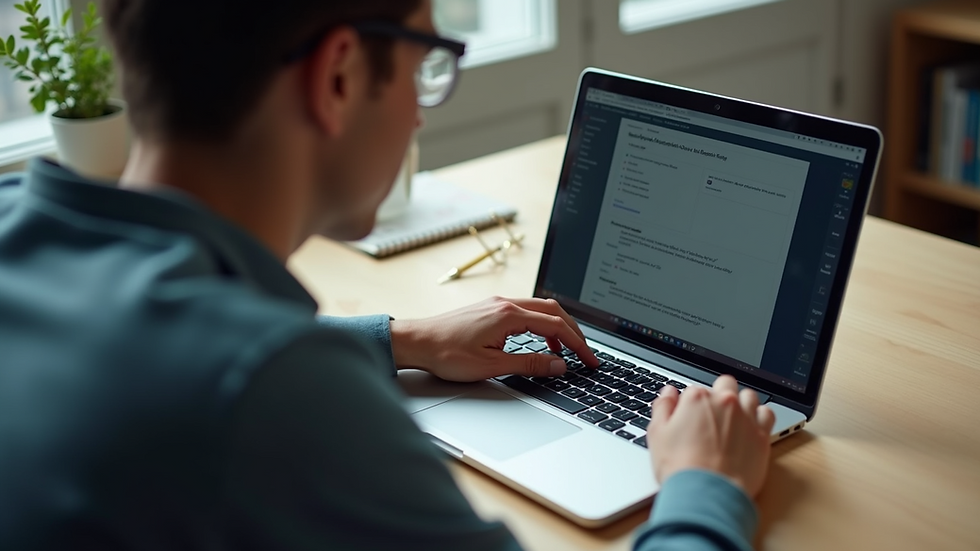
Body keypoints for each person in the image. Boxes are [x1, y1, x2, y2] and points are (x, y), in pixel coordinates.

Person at [0, 0, 776, 549]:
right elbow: (242, 383)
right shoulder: (281, 395)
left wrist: (398, 337)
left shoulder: (16, 226)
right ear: (338, 76)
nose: (418, 114)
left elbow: (163, 352)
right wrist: (705, 486)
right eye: (425, 69)